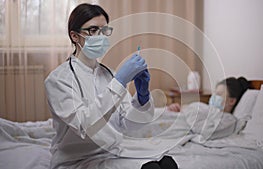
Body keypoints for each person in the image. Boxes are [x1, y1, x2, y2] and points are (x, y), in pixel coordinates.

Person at [45, 3, 155, 168]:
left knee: (165, 164)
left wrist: (142, 97)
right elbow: (85, 126)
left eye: (104, 31)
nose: (101, 36)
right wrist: (119, 82)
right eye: (93, 30)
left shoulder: (110, 74)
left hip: (111, 154)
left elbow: (128, 125)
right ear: (75, 36)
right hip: (76, 160)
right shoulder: (58, 80)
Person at [168, 77, 250, 113]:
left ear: (231, 101)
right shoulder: (210, 110)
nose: (213, 97)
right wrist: (179, 107)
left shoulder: (226, 121)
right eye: (214, 93)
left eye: (218, 94)